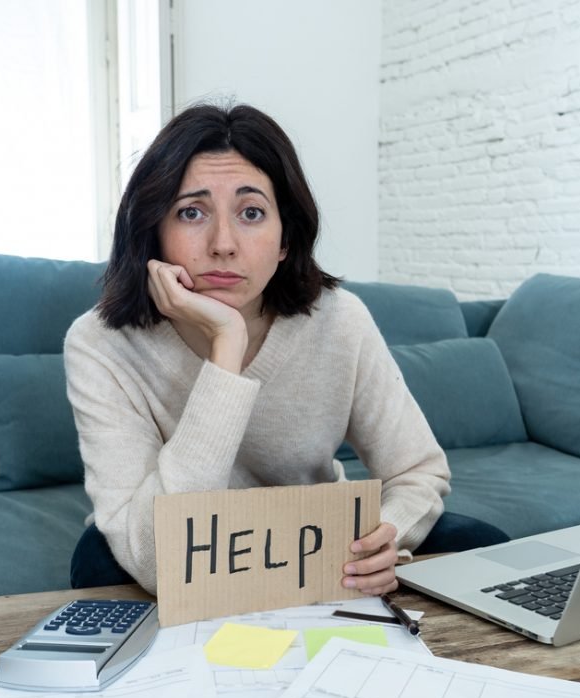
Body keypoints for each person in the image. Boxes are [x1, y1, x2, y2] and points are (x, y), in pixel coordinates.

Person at [65, 103, 506, 597]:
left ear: (284, 241)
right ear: (154, 233)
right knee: (96, 560)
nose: (223, 244)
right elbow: (157, 556)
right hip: (185, 547)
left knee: (482, 543)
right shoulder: (99, 343)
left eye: (251, 213)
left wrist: (387, 540)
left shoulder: (339, 319)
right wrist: (226, 346)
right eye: (191, 212)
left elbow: (416, 469)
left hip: (316, 544)